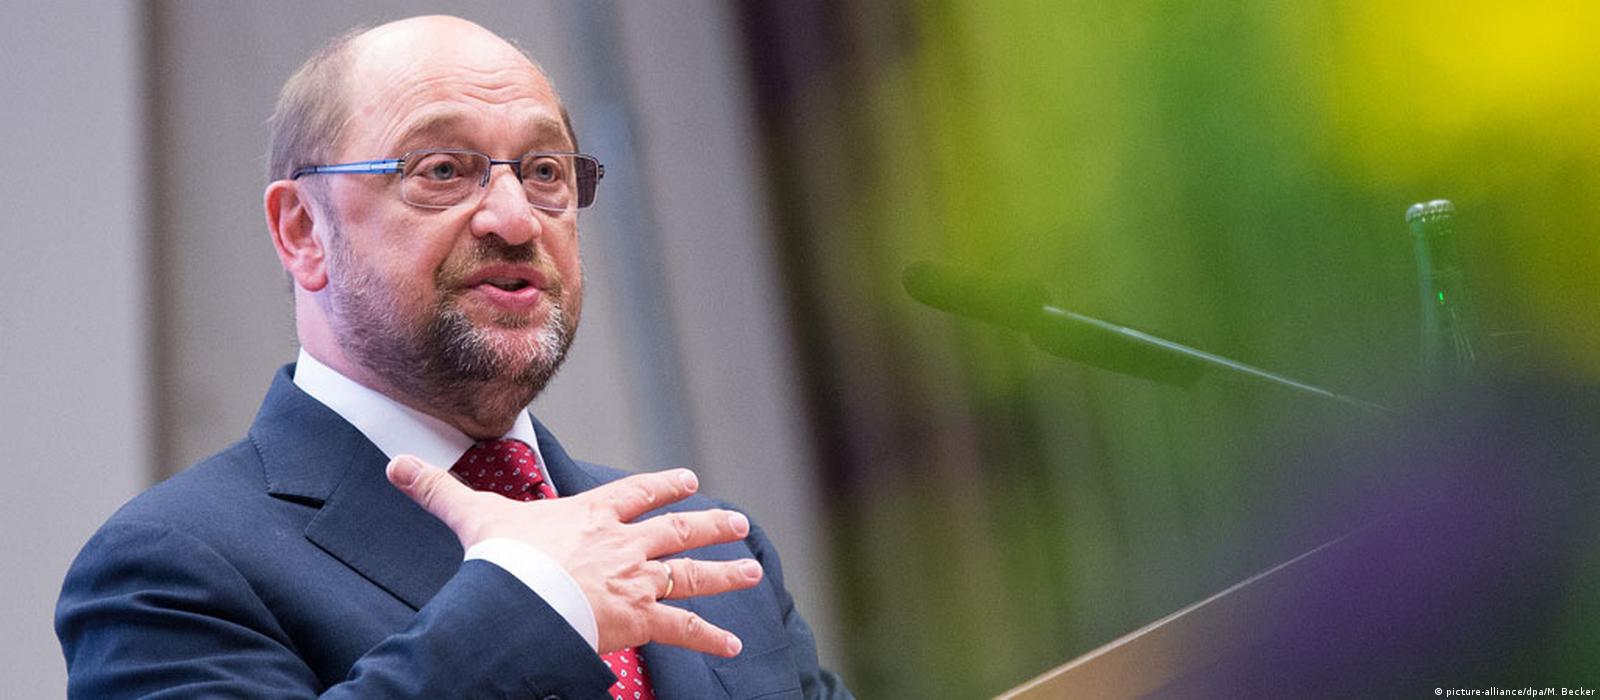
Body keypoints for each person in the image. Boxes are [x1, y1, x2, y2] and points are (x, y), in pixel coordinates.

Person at [56, 15, 850, 699]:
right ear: (303, 231)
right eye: (441, 170)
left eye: (545, 172)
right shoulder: (172, 567)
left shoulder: (710, 548)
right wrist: (534, 604)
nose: (515, 218)